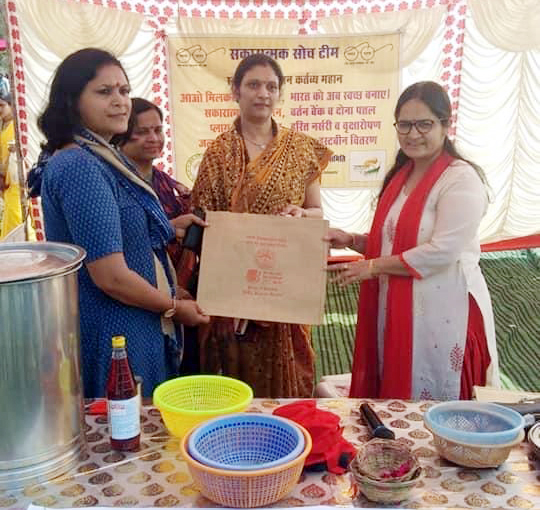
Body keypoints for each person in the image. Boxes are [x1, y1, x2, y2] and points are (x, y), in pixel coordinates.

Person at [31, 48, 209, 397]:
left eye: (124, 91)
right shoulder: (81, 166)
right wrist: (174, 308)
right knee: (126, 424)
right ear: (72, 100)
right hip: (116, 329)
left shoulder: (100, 156)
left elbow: (113, 231)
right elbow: (110, 276)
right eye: (104, 92)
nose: (120, 101)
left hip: (132, 322)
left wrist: (169, 226)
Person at [327, 81, 499, 401]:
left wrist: (374, 267)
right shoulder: (402, 174)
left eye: (424, 124)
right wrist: (350, 239)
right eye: (404, 125)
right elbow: (394, 240)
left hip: (446, 312)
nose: (413, 134)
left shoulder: (460, 179)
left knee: (440, 399)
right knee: (396, 384)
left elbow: (443, 251)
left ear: (445, 125)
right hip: (398, 307)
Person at [191, 54, 332, 398]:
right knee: (235, 378)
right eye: (253, 85)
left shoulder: (301, 149)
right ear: (236, 91)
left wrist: (301, 216)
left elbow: (316, 212)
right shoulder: (218, 153)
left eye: (271, 86)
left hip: (285, 284)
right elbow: (203, 222)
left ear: (280, 93)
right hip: (234, 287)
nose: (263, 94)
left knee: (288, 380)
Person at [112, 97, 200, 374]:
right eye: (141, 132)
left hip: (183, 294)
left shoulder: (168, 185)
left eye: (158, 130)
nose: (153, 138)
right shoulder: (115, 185)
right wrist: (169, 227)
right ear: (121, 136)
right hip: (139, 295)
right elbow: (124, 241)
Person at [0, 90, 23, 238]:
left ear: (12, 106)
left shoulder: (17, 127)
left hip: (16, 183)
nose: (0, 109)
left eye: (2, 105)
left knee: (16, 219)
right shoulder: (4, 127)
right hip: (6, 184)